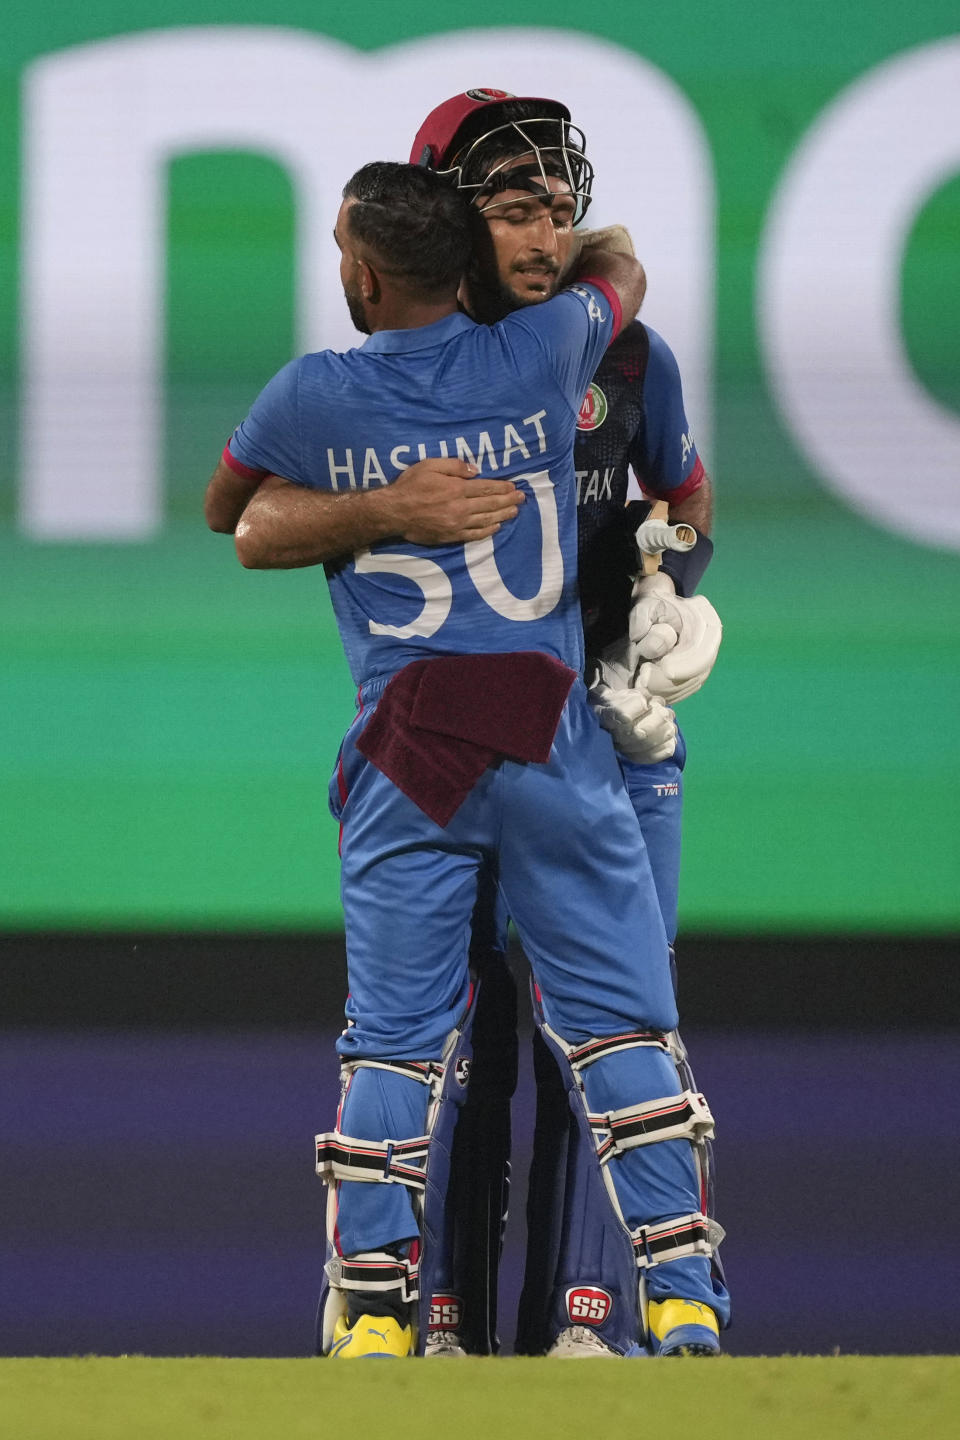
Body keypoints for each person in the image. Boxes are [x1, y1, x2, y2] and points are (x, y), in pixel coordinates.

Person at [205, 159, 722, 1359]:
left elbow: (231, 510)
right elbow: (626, 269)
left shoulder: (310, 395)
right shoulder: (547, 352)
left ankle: (375, 1318)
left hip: (411, 748)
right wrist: (574, 255)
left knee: (391, 1039)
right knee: (624, 1032)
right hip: (550, 733)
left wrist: (381, 499)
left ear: (364, 272)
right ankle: (684, 1302)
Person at [404, 91, 728, 1359]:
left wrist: (668, 591)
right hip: (455, 740)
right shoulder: (404, 358)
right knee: (453, 1041)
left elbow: (687, 500)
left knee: (611, 1033)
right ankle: (436, 1323)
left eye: (559, 206)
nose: (545, 236)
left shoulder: (633, 358)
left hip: (608, 725)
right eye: (512, 207)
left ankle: (599, 1330)